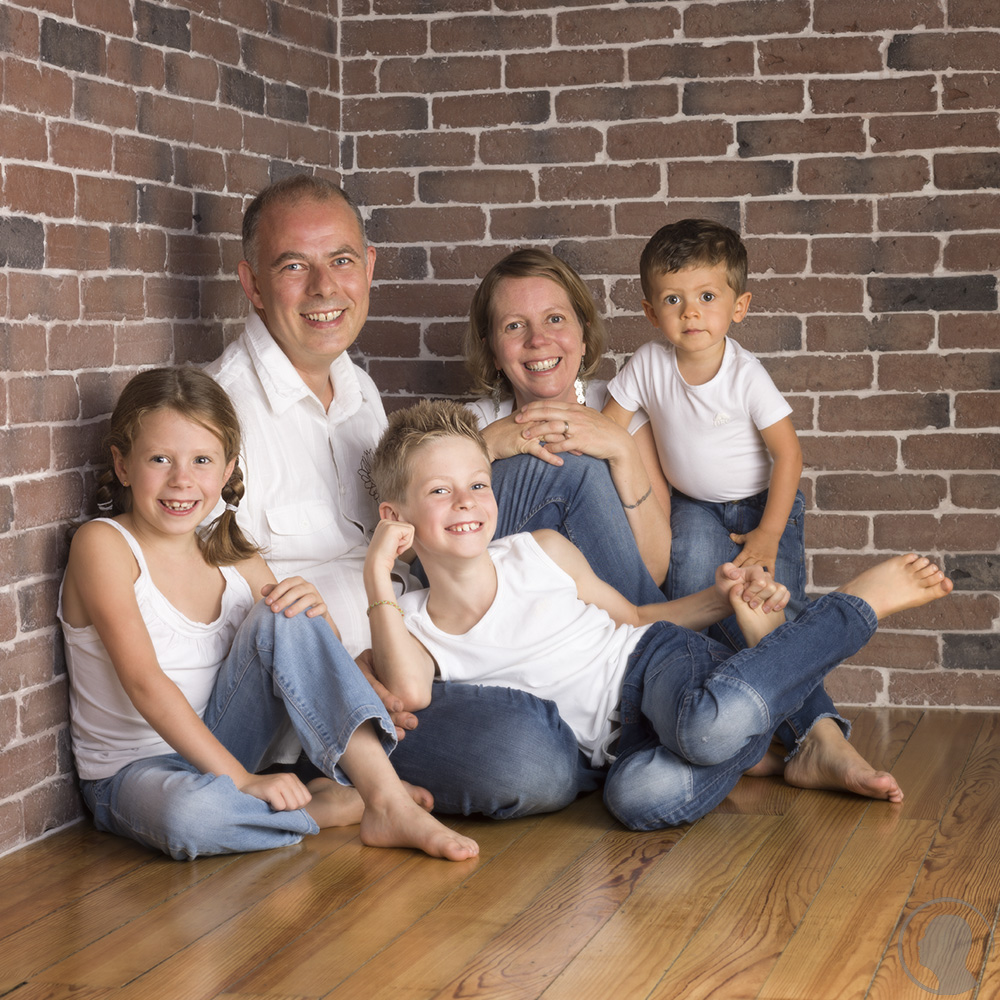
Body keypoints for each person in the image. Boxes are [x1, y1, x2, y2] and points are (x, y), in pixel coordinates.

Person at [206, 174, 620, 818]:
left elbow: (421, 518)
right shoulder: (217, 412)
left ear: (367, 267)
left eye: (341, 260)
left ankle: (648, 672)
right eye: (293, 266)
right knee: (531, 762)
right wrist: (347, 673)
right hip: (348, 693)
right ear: (253, 283)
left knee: (561, 468)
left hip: (423, 634)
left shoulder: (359, 391)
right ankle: (597, 733)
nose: (324, 287)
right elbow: (231, 600)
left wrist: (494, 444)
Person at [363, 400, 954, 829]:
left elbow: (636, 615)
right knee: (639, 802)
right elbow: (411, 692)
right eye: (440, 491)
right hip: (616, 752)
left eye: (478, 483)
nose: (467, 500)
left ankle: (853, 609)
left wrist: (721, 599)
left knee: (705, 725)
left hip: (653, 662)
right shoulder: (411, 622)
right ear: (398, 517)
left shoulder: (537, 549)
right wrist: (376, 574)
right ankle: (754, 737)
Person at [58, 367, 478, 862]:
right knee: (190, 817)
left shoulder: (230, 552)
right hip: (135, 773)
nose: (182, 480)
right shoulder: (104, 545)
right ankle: (328, 809)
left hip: (225, 741)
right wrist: (241, 780)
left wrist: (319, 613)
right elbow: (144, 682)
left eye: (201, 460)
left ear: (227, 469)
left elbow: (308, 649)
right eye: (159, 459)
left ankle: (384, 800)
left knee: (288, 608)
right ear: (123, 465)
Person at [603, 219, 807, 647]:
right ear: (650, 312)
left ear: (740, 306)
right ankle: (699, 678)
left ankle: (783, 689)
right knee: (692, 589)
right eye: (673, 299)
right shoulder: (646, 363)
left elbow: (788, 456)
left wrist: (770, 532)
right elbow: (607, 432)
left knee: (773, 603)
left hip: (762, 506)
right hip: (692, 506)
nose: (690, 312)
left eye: (707, 297)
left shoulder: (746, 375)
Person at [464, 248, 671, 589]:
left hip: (603, 615)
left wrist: (621, 447)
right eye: (514, 326)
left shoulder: (622, 408)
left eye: (555, 319)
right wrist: (483, 448)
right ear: (494, 353)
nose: (538, 340)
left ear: (584, 335)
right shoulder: (473, 424)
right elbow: (422, 551)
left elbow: (653, 569)